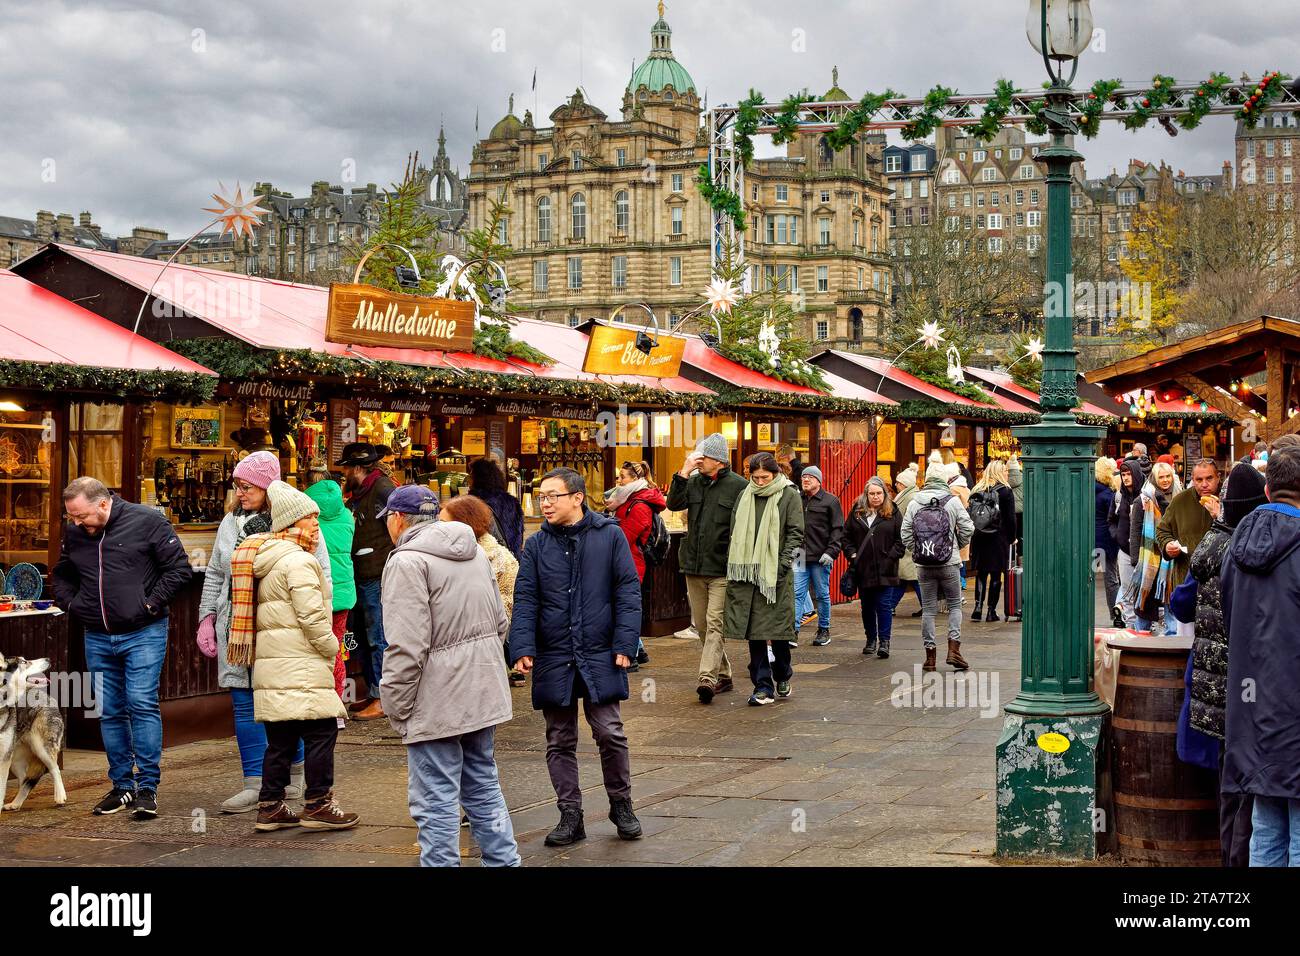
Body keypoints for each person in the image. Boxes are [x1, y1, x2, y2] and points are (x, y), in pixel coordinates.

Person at [378, 485, 520, 867]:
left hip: (436, 699)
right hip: (483, 690)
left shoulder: (406, 562)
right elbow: (500, 620)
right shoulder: (474, 552)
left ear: (398, 519)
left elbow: (406, 646)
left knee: (435, 799)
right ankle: (505, 863)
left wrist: (396, 705)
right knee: (483, 786)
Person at [508, 467, 643, 847]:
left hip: (601, 650)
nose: (544, 503)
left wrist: (625, 643)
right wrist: (521, 647)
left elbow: (627, 592)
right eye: (541, 496)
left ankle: (622, 805)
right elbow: (527, 598)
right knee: (559, 738)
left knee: (610, 732)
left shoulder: (609, 536)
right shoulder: (536, 545)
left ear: (577, 498)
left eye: (552, 495)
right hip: (554, 653)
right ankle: (570, 814)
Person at [197, 452, 334, 812]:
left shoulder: (297, 522)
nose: (240, 493)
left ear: (268, 486)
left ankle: (294, 780)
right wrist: (206, 617)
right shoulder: (230, 522)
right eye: (237, 486)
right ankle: (254, 784)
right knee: (244, 705)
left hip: (282, 631)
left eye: (247, 487)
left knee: (287, 706)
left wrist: (320, 624)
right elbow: (215, 572)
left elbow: (322, 577)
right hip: (238, 629)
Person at [53, 477, 192, 820]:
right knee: (110, 710)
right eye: (71, 517)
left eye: (81, 515)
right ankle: (121, 786)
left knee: (141, 703)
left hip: (143, 631)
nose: (76, 523)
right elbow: (62, 575)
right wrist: (73, 605)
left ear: (102, 504)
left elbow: (179, 570)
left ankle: (147, 788)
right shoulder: (75, 534)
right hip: (97, 634)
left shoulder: (147, 521)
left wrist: (149, 605)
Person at [231, 482, 356, 832]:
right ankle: (318, 803)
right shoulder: (298, 561)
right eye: (309, 518)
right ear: (289, 524)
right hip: (300, 662)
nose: (316, 524)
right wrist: (333, 649)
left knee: (282, 738)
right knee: (322, 730)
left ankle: (270, 806)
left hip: (275, 663)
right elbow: (312, 617)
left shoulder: (268, 556)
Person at [1220, 447, 1300, 866]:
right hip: (1292, 710)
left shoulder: (1236, 546)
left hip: (1253, 714)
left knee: (1267, 831)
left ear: (1269, 489)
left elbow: (1233, 620)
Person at [1189, 461, 1267, 867]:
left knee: (1229, 789)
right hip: (1240, 688)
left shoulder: (1211, 544)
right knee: (1247, 796)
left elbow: (1186, 606)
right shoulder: (1246, 548)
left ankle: (1228, 859)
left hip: (1214, 689)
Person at [666, 433, 746, 705]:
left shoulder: (739, 486)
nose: (698, 461)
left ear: (719, 460)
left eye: (703, 457)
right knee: (701, 625)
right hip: (694, 565)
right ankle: (724, 674)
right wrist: (684, 472)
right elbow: (673, 504)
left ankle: (707, 678)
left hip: (722, 567)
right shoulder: (695, 481)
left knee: (715, 624)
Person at [723, 453, 804, 706]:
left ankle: (782, 673)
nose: (759, 482)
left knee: (778, 632)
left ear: (776, 474)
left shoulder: (789, 495)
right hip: (747, 574)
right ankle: (762, 686)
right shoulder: (744, 495)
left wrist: (781, 565)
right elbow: (735, 529)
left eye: (764, 477)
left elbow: (796, 532)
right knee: (754, 633)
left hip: (774, 575)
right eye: (755, 477)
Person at [336, 442, 396, 720]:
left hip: (377, 573)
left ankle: (384, 699)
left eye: (346, 467)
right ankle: (374, 692)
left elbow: (400, 524)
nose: (344, 472)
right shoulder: (361, 492)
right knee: (366, 636)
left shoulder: (382, 489)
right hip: (362, 572)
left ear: (357, 468)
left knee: (378, 637)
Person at [901, 451, 974, 672]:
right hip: (949, 563)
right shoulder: (952, 501)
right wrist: (955, 545)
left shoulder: (915, 502)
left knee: (929, 609)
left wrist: (922, 550)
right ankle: (954, 650)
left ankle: (930, 657)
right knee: (954, 605)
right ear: (944, 480)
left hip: (923, 565)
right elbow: (969, 527)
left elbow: (905, 534)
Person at [441, 494, 524, 687]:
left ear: (465, 524)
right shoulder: (438, 554)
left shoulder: (500, 559)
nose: (438, 529)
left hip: (484, 653)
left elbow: (505, 611)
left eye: (445, 523)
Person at [606, 460, 666, 671]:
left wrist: (608, 531)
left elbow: (625, 538)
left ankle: (630, 655)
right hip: (627, 561)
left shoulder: (639, 504)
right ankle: (639, 650)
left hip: (631, 563)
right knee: (621, 605)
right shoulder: (628, 499)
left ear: (635, 479)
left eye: (622, 477)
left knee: (623, 607)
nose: (619, 481)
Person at [305, 474, 356, 710]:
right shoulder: (347, 516)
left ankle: (317, 705)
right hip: (343, 595)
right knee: (335, 649)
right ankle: (337, 705)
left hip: (315, 593)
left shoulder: (308, 520)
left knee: (311, 651)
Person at [845, 476, 904, 658]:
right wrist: (852, 554)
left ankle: (884, 642)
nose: (875, 497)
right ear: (866, 494)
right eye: (872, 494)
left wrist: (891, 556)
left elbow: (901, 540)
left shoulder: (892, 511)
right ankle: (871, 639)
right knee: (867, 606)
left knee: (884, 606)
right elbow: (846, 536)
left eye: (879, 493)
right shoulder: (857, 512)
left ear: (884, 494)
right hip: (864, 569)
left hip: (886, 568)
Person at [1156, 458, 1221, 616]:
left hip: (1220, 585)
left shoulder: (1229, 500)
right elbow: (1162, 530)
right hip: (1186, 583)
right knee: (1185, 638)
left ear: (1218, 477)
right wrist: (1167, 545)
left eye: (1209, 478)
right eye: (1199, 480)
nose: (1204, 484)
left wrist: (1219, 516)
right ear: (1193, 480)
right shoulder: (1180, 501)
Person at [1129, 460, 1183, 634]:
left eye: (1168, 476)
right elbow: (1135, 530)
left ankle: (1172, 636)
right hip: (1149, 560)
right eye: (1161, 477)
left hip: (1173, 557)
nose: (1166, 480)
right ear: (1154, 478)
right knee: (1145, 603)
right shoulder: (1143, 499)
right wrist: (1135, 559)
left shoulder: (1180, 497)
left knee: (1171, 599)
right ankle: (1140, 637)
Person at [795, 465, 844, 647]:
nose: (806, 480)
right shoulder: (796, 499)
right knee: (796, 593)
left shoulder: (830, 501)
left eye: (810, 477)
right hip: (799, 554)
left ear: (819, 481)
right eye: (803, 477)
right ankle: (794, 631)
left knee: (822, 594)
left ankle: (824, 629)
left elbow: (837, 529)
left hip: (821, 556)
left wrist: (831, 552)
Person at [968, 460, 1017, 622]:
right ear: (998, 472)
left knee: (981, 573)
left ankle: (977, 607)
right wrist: (1012, 537)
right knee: (996, 574)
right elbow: (1011, 518)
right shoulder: (1005, 492)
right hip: (998, 537)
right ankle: (991, 611)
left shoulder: (977, 489)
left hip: (980, 537)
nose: (1007, 473)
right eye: (1004, 470)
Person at [1109, 458, 1143, 629]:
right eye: (1123, 474)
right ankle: (1130, 627)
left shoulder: (1146, 495)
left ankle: (1143, 627)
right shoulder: (1118, 495)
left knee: (1144, 593)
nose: (1126, 478)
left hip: (1144, 550)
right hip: (1124, 550)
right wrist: (1117, 536)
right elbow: (1111, 520)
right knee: (1127, 590)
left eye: (1129, 474)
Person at [468, 457, 524, 559]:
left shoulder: (474, 504)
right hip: (512, 562)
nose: (468, 480)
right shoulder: (512, 502)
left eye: (471, 475)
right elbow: (519, 537)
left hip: (489, 562)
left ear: (479, 479)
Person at [1093, 458, 1122, 628]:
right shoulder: (1108, 494)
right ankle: (1116, 614)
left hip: (1094, 540)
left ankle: (1087, 611)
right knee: (1111, 578)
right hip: (1107, 541)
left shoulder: (1091, 490)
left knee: (1091, 576)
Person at [893, 464, 924, 618]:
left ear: (903, 484)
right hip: (909, 542)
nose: (895, 485)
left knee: (910, 577)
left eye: (897, 483)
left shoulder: (909, 498)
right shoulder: (910, 495)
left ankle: (927, 605)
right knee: (906, 577)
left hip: (908, 542)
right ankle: (891, 605)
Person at [947, 473, 971, 595]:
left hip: (956, 527)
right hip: (964, 526)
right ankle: (962, 581)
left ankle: (959, 582)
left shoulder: (953, 489)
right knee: (963, 557)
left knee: (957, 558)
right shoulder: (966, 487)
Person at [1007, 456, 1024, 546]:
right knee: (1021, 533)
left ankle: (1011, 555)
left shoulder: (1004, 479)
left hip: (1009, 510)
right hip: (1021, 510)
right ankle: (1020, 555)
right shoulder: (1023, 477)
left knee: (1010, 533)